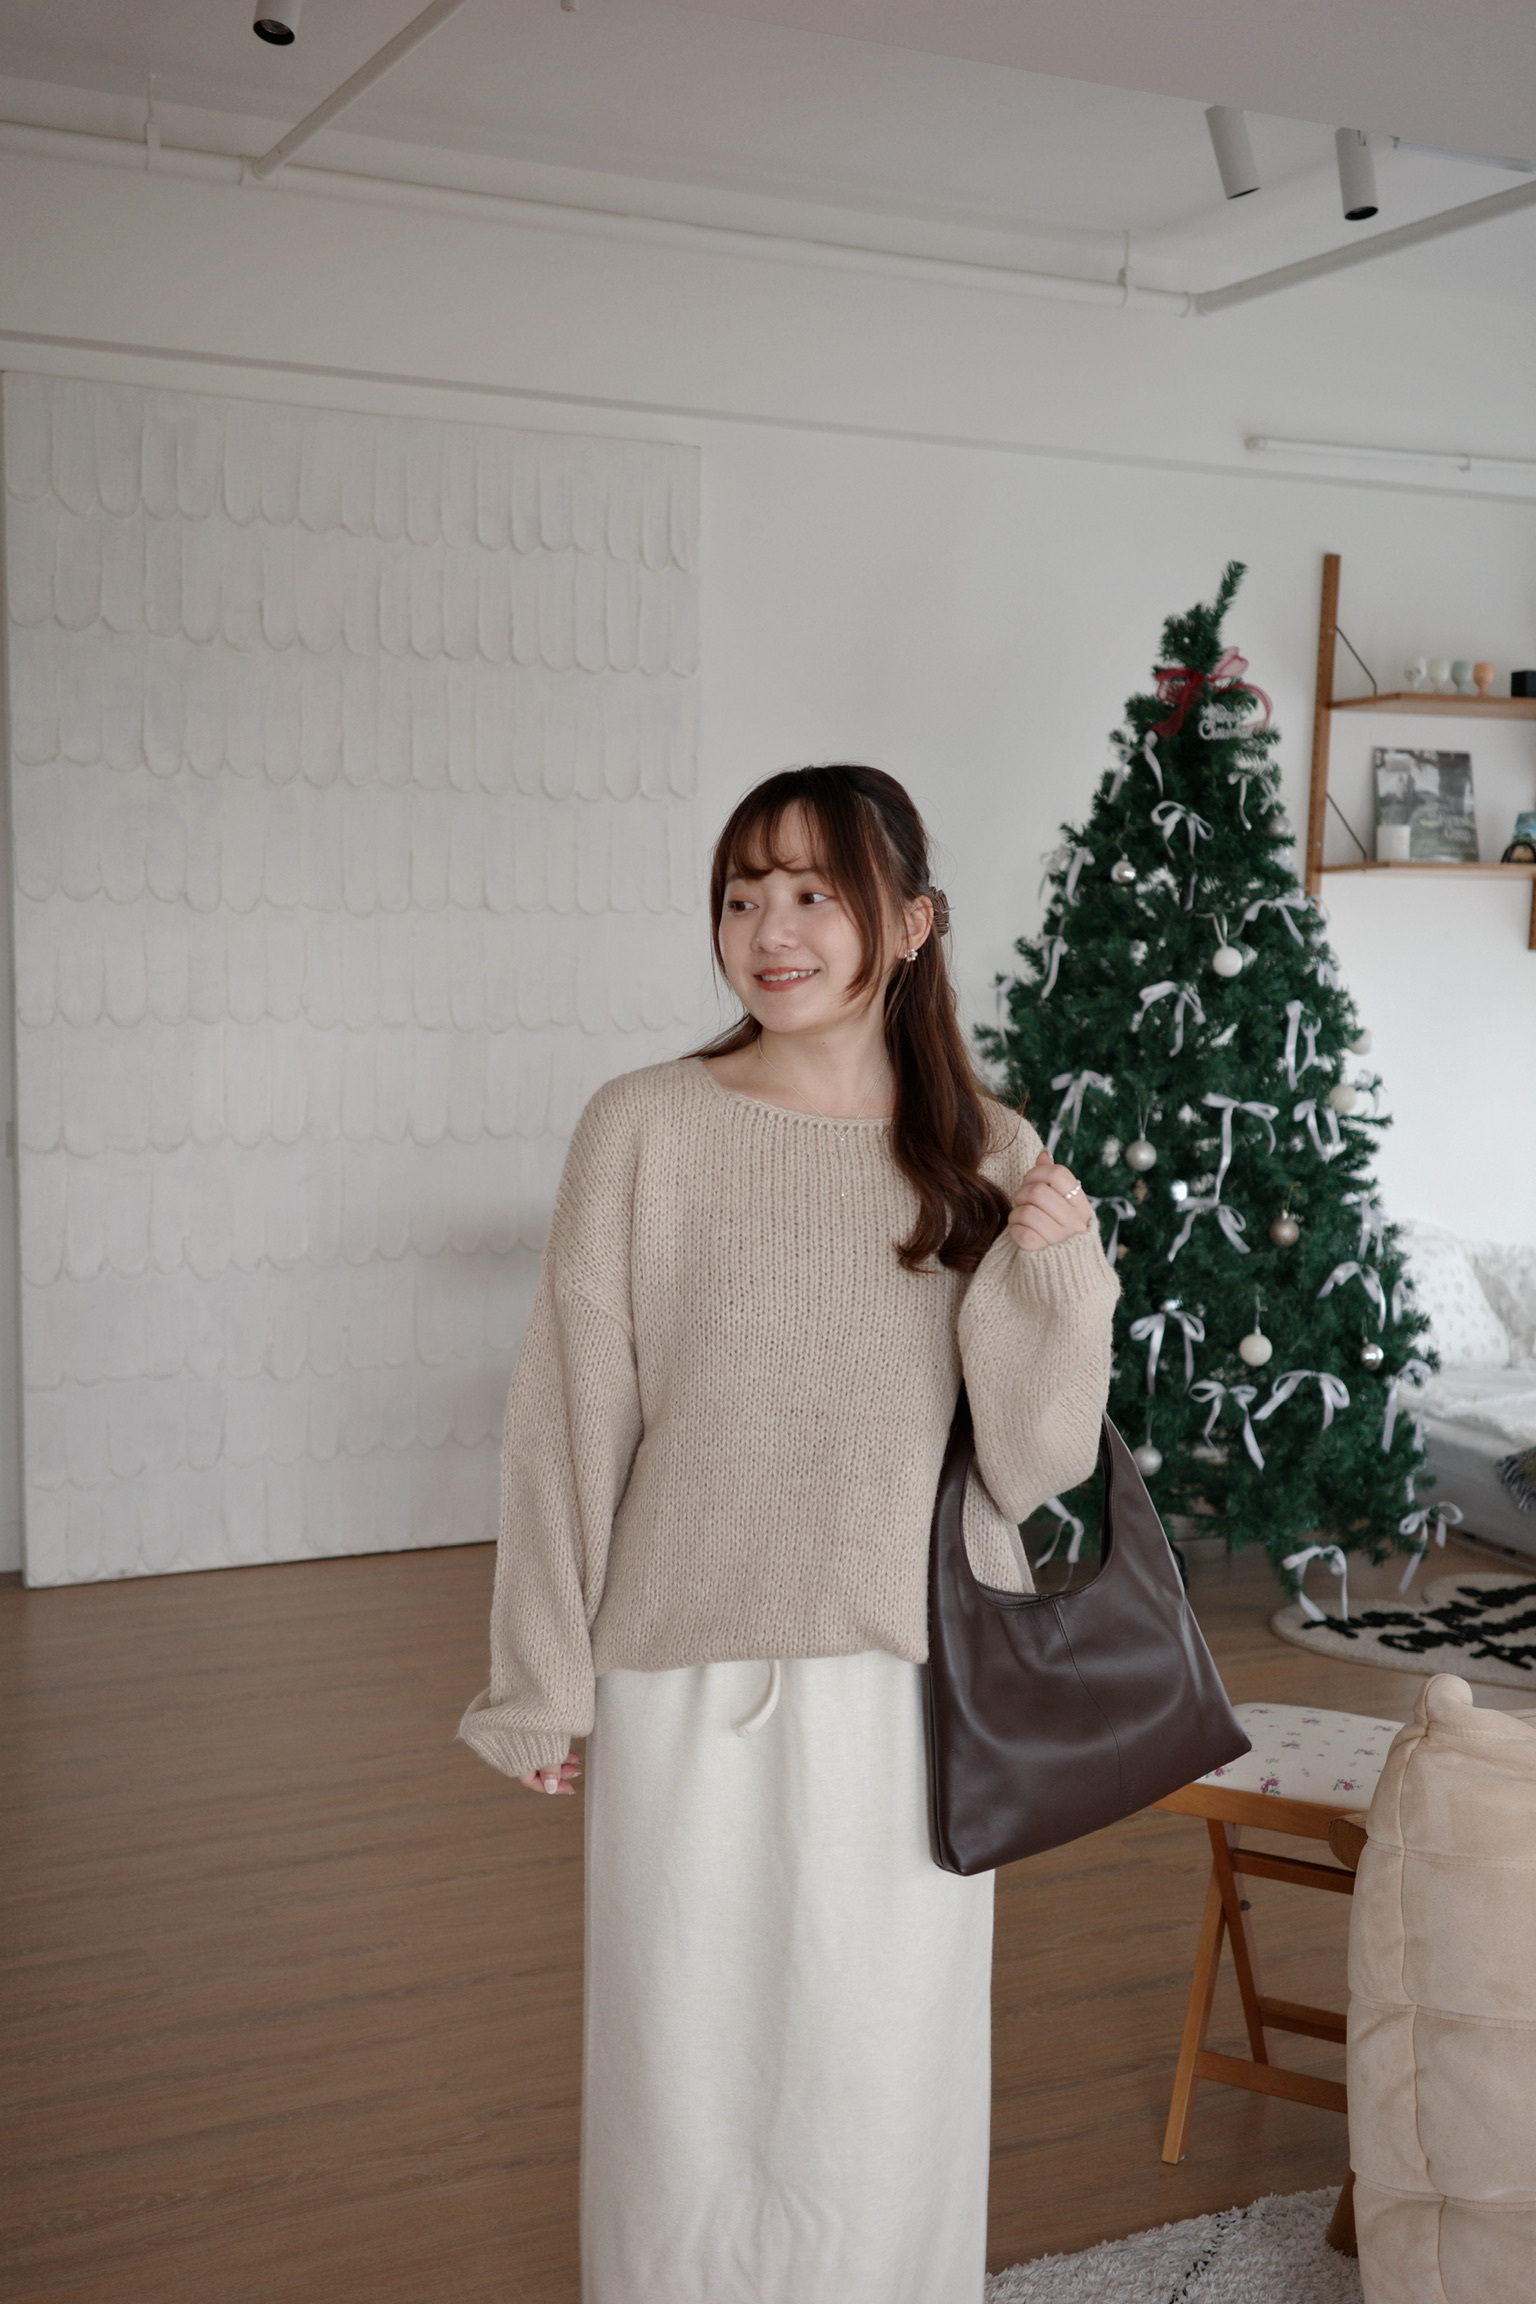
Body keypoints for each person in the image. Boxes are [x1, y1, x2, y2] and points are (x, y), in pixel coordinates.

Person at [460, 763, 1119, 2304]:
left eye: (817, 893)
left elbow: (1032, 1468)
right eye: (744, 893)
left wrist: (1064, 1276)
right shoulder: (643, 1127)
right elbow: (569, 1416)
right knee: (679, 2071)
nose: (773, 930)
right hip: (687, 1670)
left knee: (882, 2074)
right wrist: (540, 1680)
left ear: (913, 921)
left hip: (912, 1680)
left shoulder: (988, 1149)